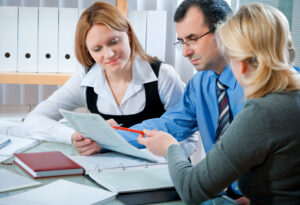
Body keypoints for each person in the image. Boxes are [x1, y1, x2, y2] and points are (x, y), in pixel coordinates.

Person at [138, 2, 300, 204]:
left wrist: (171, 148)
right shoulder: (201, 84)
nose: (186, 52)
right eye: (182, 42)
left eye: (193, 39)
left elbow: (192, 190)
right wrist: (112, 135)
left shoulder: (262, 109)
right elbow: (170, 124)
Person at [23, 2, 198, 156]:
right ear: (88, 51)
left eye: (114, 41)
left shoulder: (163, 76)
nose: (109, 54)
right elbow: (33, 120)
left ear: (128, 34)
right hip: (108, 174)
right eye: (97, 49)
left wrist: (166, 155)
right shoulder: (84, 80)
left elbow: (189, 136)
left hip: (160, 170)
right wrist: (74, 137)